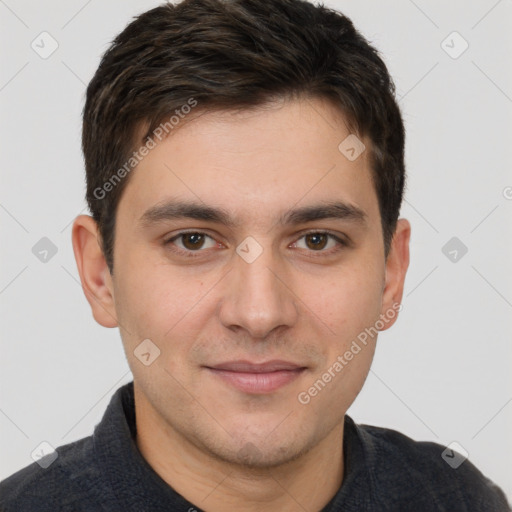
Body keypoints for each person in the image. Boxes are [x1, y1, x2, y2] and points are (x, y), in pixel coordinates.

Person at [1, 0, 509, 510]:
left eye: (317, 240)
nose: (260, 313)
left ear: (390, 276)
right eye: (193, 240)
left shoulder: (464, 501)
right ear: (100, 275)